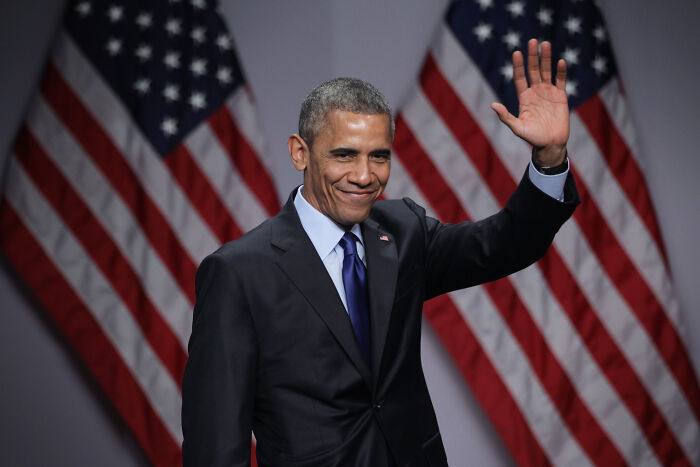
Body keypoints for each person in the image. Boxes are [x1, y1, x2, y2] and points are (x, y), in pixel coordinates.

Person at [182, 39, 579, 467]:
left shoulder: (403, 230)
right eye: (344, 155)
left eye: (379, 156)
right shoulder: (239, 273)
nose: (364, 175)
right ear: (300, 152)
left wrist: (550, 157)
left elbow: (502, 245)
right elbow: (216, 446)